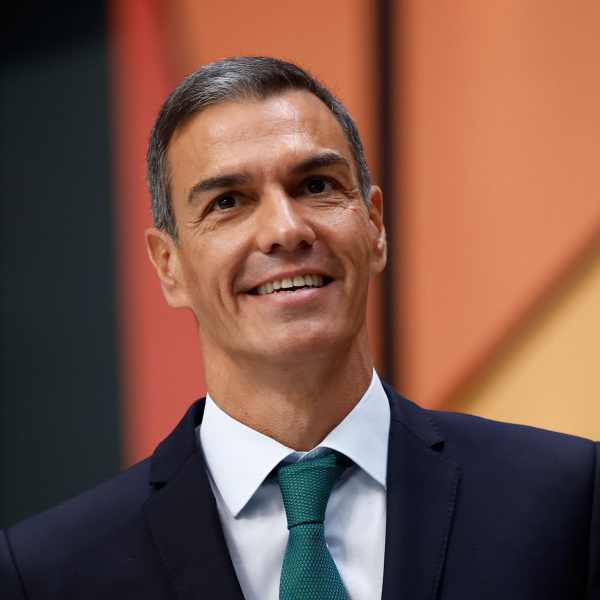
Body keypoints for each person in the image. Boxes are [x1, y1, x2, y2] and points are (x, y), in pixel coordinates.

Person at [1, 56, 598, 600]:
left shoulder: (567, 498)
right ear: (169, 266)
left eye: (316, 186)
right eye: (228, 202)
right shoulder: (48, 573)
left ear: (375, 226)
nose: (285, 230)